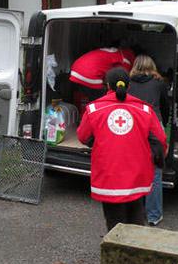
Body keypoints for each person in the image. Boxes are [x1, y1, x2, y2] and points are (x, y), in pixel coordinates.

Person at [77, 67, 167, 232]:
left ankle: (117, 252)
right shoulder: (145, 110)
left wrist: (97, 140)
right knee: (136, 220)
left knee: (114, 224)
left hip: (108, 174)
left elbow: (83, 136)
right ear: (129, 86)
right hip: (137, 176)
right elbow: (160, 139)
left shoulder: (94, 109)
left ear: (108, 86)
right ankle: (135, 253)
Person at [127, 55, 170, 226]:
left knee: (133, 168)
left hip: (134, 125)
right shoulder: (159, 83)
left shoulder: (128, 83)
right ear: (152, 66)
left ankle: (134, 213)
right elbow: (165, 106)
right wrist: (164, 124)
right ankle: (153, 215)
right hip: (152, 124)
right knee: (155, 170)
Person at [69, 46, 135, 102]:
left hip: (75, 69)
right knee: (101, 100)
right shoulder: (126, 60)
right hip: (90, 74)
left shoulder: (115, 53)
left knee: (87, 98)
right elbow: (121, 78)